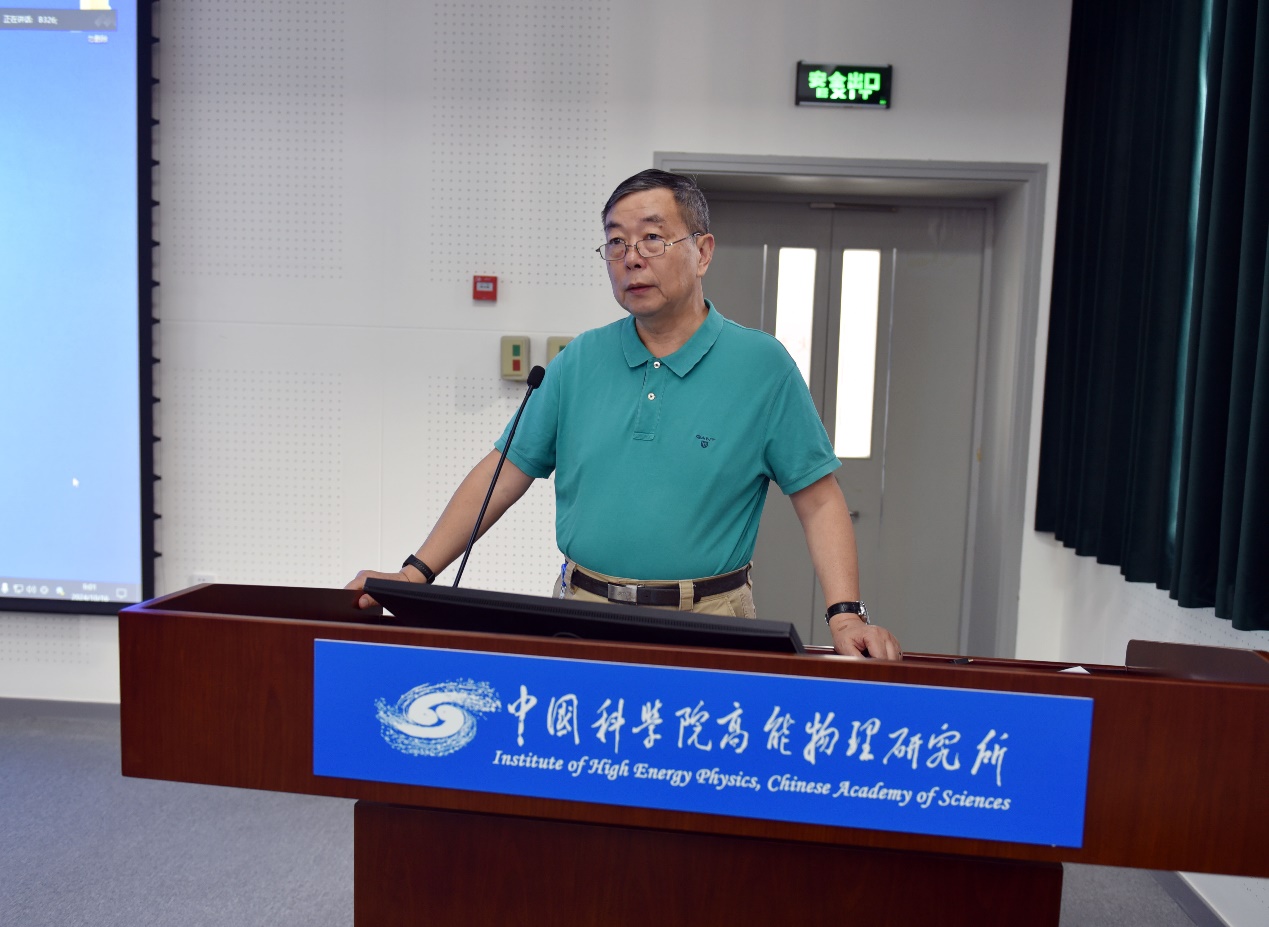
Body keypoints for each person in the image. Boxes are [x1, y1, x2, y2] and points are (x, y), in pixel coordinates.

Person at [348, 169, 901, 660]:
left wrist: (845, 616)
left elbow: (819, 499)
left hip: (708, 621)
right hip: (581, 612)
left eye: (653, 238)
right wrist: (415, 573)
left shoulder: (762, 365)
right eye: (616, 242)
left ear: (703, 252)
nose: (632, 257)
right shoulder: (579, 359)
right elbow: (503, 472)